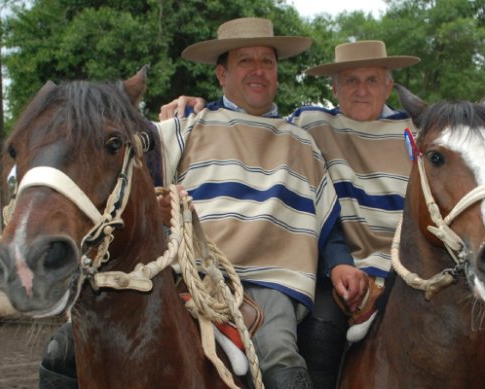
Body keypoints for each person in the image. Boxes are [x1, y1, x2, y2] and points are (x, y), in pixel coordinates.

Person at [162, 40, 485, 389]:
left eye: (371, 80)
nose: (361, 90)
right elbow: (251, 123)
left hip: (421, 264)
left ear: (389, 85)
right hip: (347, 270)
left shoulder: (421, 134)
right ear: (334, 88)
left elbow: (468, 169)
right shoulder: (309, 125)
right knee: (322, 328)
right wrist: (194, 105)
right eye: (350, 80)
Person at [39, 17, 340, 389]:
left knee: (278, 354)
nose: (259, 70)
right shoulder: (185, 126)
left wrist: (341, 264)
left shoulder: (303, 142)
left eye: (268, 61)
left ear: (278, 73)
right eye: (246, 61)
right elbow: (117, 171)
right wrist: (154, 203)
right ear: (222, 74)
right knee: (64, 349)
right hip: (181, 271)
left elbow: (328, 223)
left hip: (269, 281)